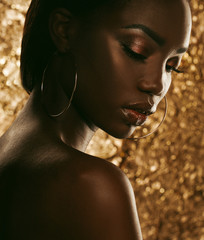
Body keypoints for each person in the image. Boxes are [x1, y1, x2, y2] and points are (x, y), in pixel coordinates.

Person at [0, 0, 192, 239]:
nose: (157, 85)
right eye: (137, 50)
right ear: (64, 30)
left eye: (172, 66)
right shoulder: (90, 184)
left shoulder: (9, 158)